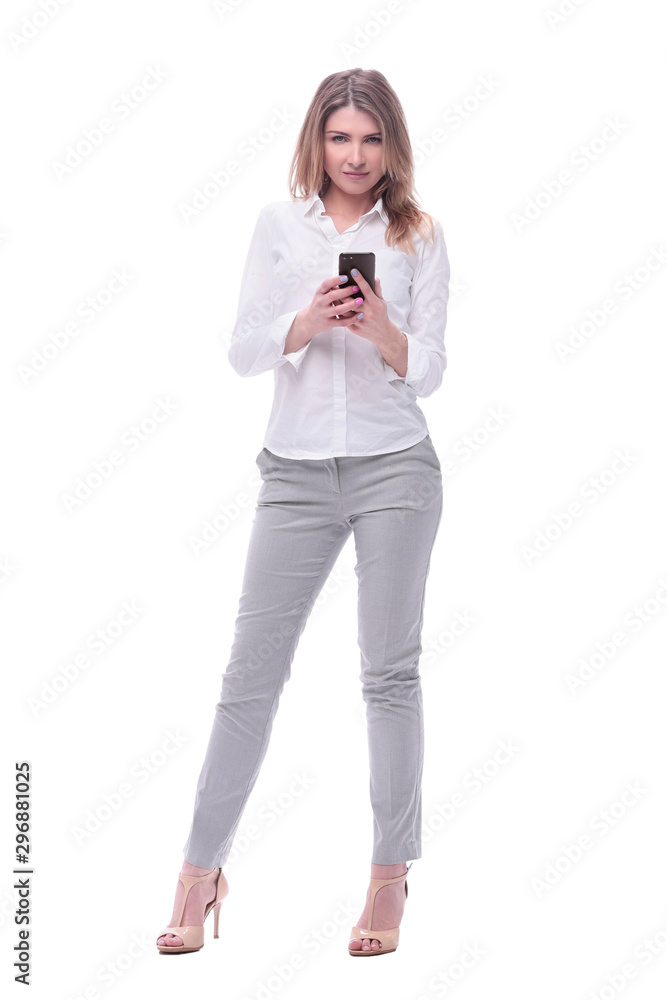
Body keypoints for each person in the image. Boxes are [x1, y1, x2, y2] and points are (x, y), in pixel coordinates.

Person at [156, 66, 450, 958]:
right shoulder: (280, 224)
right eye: (339, 138)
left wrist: (377, 332)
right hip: (293, 474)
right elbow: (243, 349)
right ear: (316, 141)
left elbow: (430, 367)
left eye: (369, 139)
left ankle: (389, 876)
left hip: (394, 467)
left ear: (390, 145)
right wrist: (304, 321)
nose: (354, 156)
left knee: (387, 676)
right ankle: (198, 875)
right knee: (249, 677)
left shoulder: (419, 235)